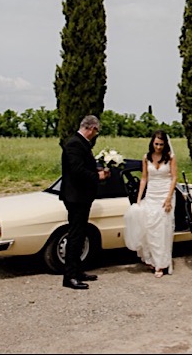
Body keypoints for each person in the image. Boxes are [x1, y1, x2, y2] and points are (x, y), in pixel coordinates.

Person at [59, 114, 110, 290]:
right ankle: (69, 276)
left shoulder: (82, 144)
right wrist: (98, 176)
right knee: (75, 235)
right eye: (96, 131)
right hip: (75, 197)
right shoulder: (74, 144)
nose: (96, 135)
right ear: (91, 128)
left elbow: (84, 166)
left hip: (82, 197)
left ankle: (78, 270)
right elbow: (77, 171)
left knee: (80, 235)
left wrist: (99, 168)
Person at [135, 130, 178, 278]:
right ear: (152, 143)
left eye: (161, 144)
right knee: (150, 228)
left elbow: (174, 178)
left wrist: (168, 199)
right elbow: (144, 179)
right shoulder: (146, 158)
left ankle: (161, 264)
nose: (158, 147)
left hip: (165, 195)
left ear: (165, 144)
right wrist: (139, 198)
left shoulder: (170, 157)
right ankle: (152, 260)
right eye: (156, 144)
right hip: (151, 195)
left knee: (162, 230)